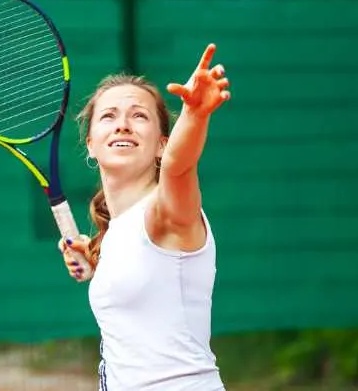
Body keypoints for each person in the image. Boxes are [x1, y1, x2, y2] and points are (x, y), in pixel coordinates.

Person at [58, 43, 230, 390]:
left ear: (162, 144)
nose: (122, 125)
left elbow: (179, 169)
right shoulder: (117, 234)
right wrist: (96, 262)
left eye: (139, 116)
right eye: (109, 116)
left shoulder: (166, 211)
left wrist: (194, 116)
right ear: (90, 143)